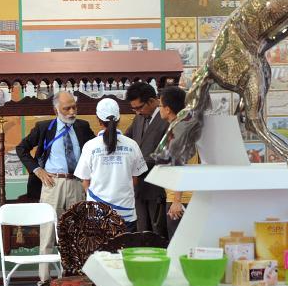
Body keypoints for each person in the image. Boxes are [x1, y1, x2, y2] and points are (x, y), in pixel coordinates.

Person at [15, 90, 94, 286]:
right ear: (56, 108)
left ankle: (76, 278)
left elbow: (95, 149)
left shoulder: (83, 127)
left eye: (74, 107)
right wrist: (37, 170)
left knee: (77, 234)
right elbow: (21, 148)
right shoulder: (44, 127)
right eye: (67, 108)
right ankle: (44, 280)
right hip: (52, 184)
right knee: (48, 234)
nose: (71, 111)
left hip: (77, 183)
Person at [74, 97, 147, 231]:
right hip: (126, 214)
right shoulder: (132, 145)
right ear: (119, 118)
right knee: (124, 251)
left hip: (97, 214)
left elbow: (85, 181)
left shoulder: (90, 146)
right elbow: (135, 179)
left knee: (100, 252)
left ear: (98, 119)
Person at [125, 81, 169, 239]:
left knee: (158, 234)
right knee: (141, 233)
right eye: (134, 108)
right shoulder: (139, 119)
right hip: (138, 188)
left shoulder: (167, 119)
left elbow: (163, 154)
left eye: (139, 107)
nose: (137, 112)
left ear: (152, 101)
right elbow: (126, 139)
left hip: (157, 187)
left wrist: (134, 166)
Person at [156, 86, 199, 238]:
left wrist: (177, 200)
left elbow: (179, 167)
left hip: (181, 200)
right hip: (183, 197)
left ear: (167, 109)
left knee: (178, 245)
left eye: (160, 105)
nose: (159, 108)